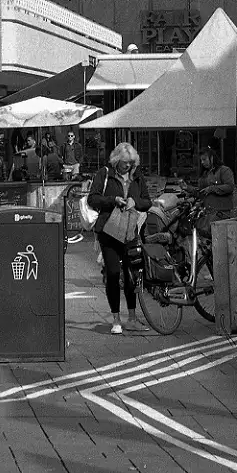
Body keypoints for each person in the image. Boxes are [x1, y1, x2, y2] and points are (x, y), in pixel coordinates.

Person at [88, 142, 152, 332]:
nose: (128, 166)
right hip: (108, 230)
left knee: (132, 275)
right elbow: (93, 198)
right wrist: (113, 200)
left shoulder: (137, 176)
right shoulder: (104, 173)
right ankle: (116, 320)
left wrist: (135, 201)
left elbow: (147, 202)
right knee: (114, 273)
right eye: (125, 163)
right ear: (116, 160)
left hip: (131, 231)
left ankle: (132, 318)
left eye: (131, 163)